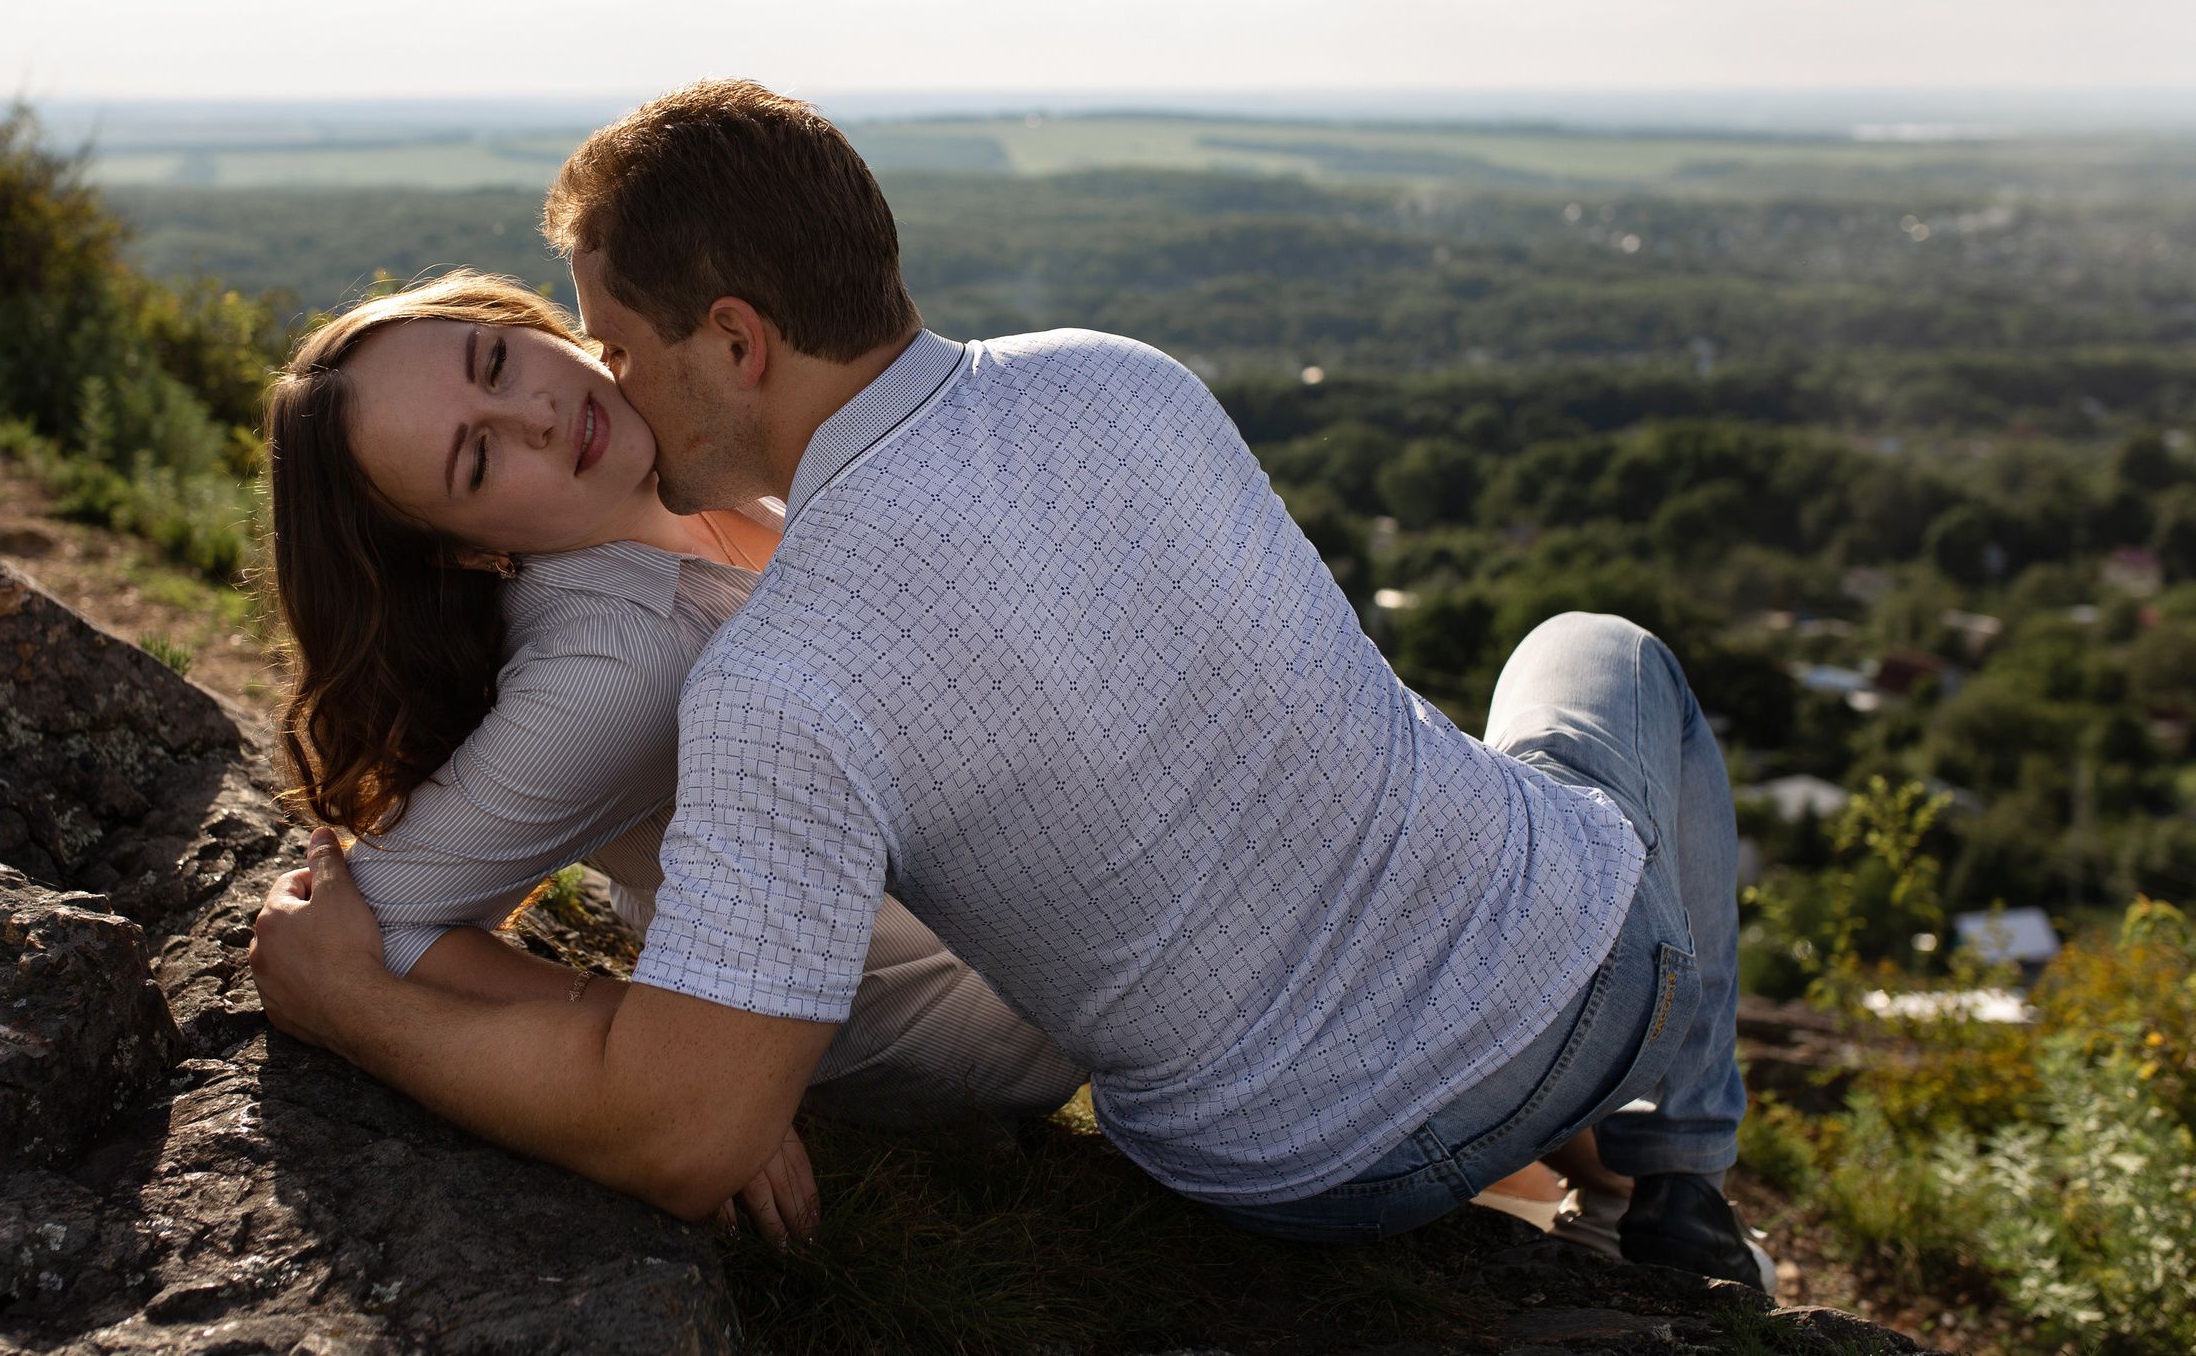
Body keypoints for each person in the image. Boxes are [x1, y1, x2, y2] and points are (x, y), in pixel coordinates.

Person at [251, 81, 1769, 1289]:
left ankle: (1623, 1146)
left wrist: (368, 996)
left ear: (733, 338)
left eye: (609, 345)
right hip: (1552, 1013)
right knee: (1599, 653)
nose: (593, 382)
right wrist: (368, 978)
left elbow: (676, 1110)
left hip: (1284, 1170)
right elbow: (675, 1111)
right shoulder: (1120, 373)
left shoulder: (781, 652)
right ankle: (1677, 1171)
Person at [259, 270, 1084, 1239]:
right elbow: (381, 923)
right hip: (971, 1005)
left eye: (495, 362)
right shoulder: (619, 656)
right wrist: (651, 1037)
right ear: (460, 552)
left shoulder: (669, 442)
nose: (537, 416)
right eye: (477, 463)